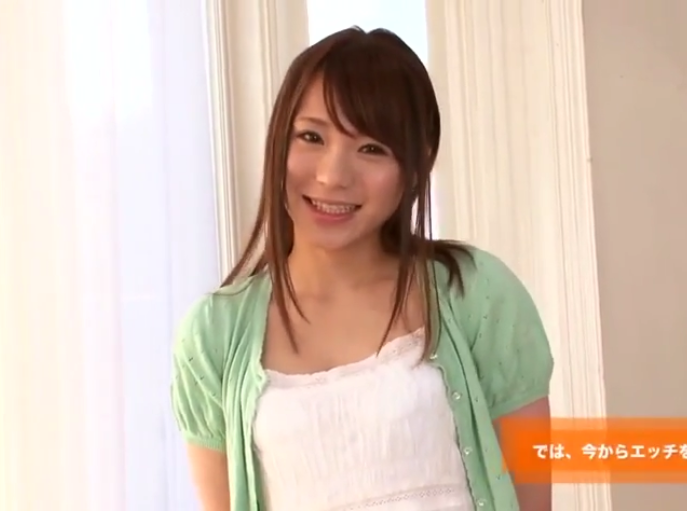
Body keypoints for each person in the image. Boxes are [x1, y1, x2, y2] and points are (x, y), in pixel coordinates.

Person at [170, 26, 554, 511]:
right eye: (311, 136)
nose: (332, 176)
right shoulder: (214, 334)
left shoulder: (477, 294)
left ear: (416, 166)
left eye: (371, 148)